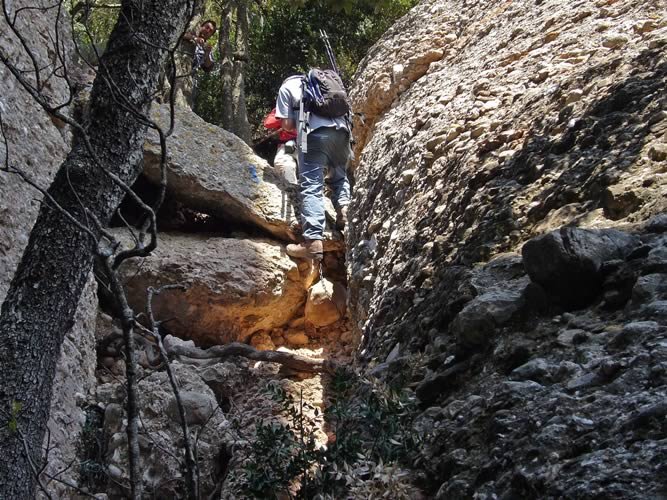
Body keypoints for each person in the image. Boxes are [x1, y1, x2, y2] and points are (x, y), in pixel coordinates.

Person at [275, 73, 351, 261]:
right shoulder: (326, 84)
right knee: (339, 177)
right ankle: (345, 214)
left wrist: (295, 129)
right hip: (342, 133)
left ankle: (312, 243)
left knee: (311, 185)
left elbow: (287, 124)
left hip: (314, 135)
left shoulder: (287, 88)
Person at [263, 107, 298, 185]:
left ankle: (292, 188)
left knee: (283, 163)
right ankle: (291, 187)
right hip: (287, 143)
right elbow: (268, 123)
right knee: (282, 163)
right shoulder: (283, 107)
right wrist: (284, 117)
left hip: (306, 142)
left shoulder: (311, 103)